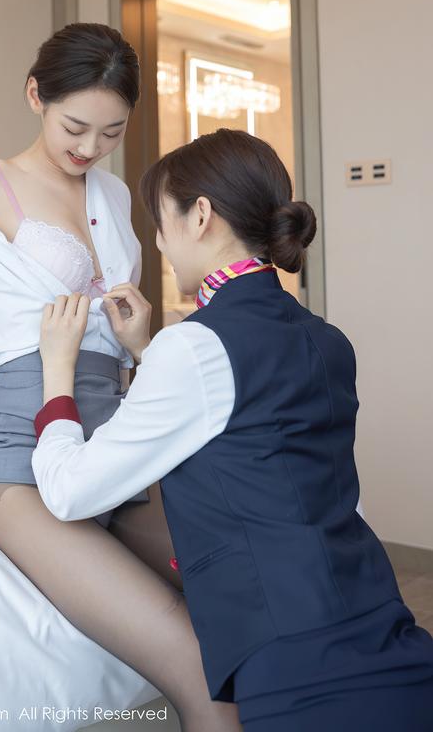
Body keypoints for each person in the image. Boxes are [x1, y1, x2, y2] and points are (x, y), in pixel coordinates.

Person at [0, 23, 243, 732]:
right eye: (74, 128)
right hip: (23, 457)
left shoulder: (113, 196)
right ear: (36, 96)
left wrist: (138, 345)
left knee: (243, 599)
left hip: (118, 447)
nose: (89, 149)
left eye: (111, 133)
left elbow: (128, 340)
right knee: (193, 657)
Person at [31, 127, 433, 732]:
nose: (158, 241)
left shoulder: (195, 346)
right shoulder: (327, 339)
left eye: (160, 221)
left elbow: (69, 491)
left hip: (295, 663)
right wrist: (147, 353)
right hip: (382, 626)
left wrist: (56, 373)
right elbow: (257, 439)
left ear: (200, 216)